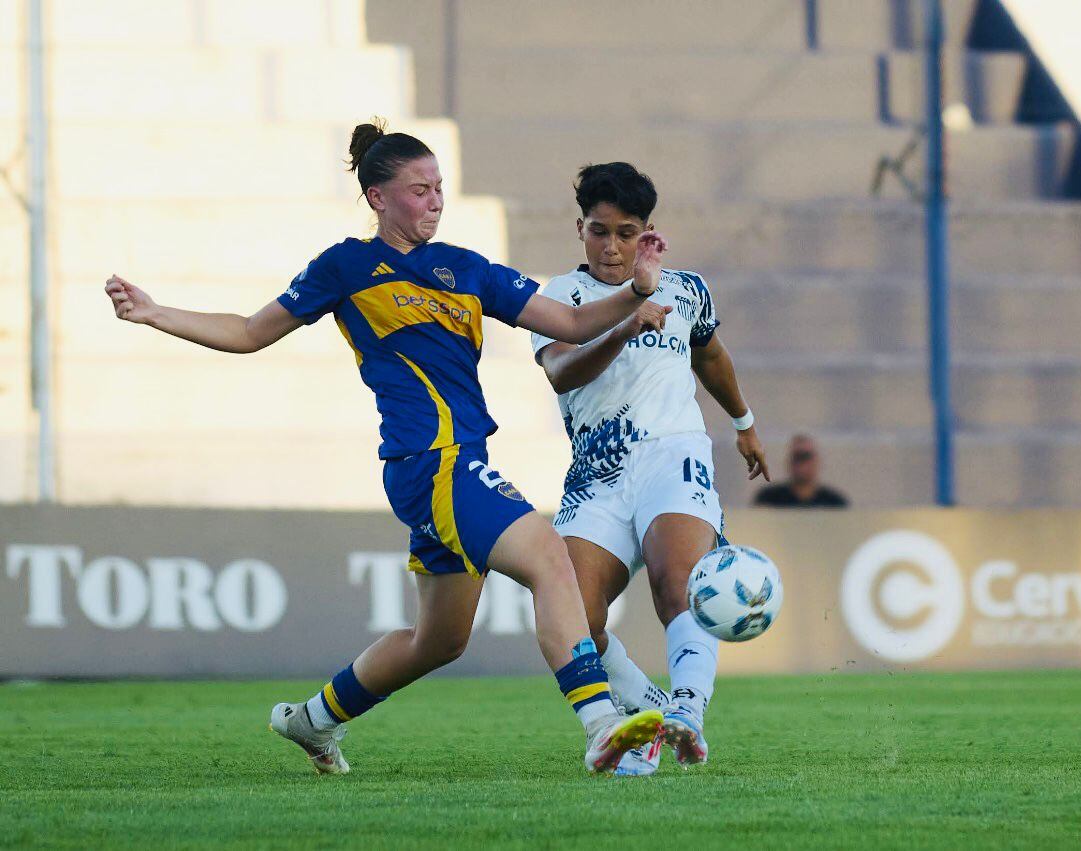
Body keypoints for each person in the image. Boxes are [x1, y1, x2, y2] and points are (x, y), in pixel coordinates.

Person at [103, 121, 676, 775]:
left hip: (458, 464)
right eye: (419, 189)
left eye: (440, 189)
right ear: (378, 197)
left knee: (437, 641)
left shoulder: (465, 268)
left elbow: (571, 322)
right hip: (430, 461)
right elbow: (248, 331)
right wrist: (155, 313)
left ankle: (310, 720)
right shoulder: (346, 267)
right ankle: (601, 722)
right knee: (550, 556)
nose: (435, 201)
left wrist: (634, 293)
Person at [531, 162, 769, 776]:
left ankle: (688, 712)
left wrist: (743, 425)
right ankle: (650, 716)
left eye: (626, 232)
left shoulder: (688, 289)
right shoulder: (558, 295)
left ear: (648, 232)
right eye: (598, 231)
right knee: (575, 619)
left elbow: (709, 353)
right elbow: (562, 371)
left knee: (678, 581)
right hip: (597, 470)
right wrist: (628, 318)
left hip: (674, 451)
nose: (611, 247)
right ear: (579, 228)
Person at [753, 435, 849, 508]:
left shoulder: (834, 503)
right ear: (789, 462)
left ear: (817, 462)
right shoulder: (769, 499)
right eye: (797, 457)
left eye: (806, 457)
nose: (802, 464)